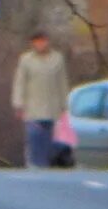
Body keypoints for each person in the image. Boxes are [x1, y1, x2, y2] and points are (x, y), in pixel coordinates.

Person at [12, 32, 71, 169]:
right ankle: (35, 163)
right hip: (32, 107)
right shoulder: (26, 60)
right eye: (37, 41)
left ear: (48, 42)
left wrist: (64, 105)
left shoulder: (57, 59)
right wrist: (18, 104)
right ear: (33, 43)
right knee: (34, 136)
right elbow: (20, 83)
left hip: (52, 106)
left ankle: (46, 164)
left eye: (43, 41)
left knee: (49, 137)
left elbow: (62, 82)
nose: (40, 44)